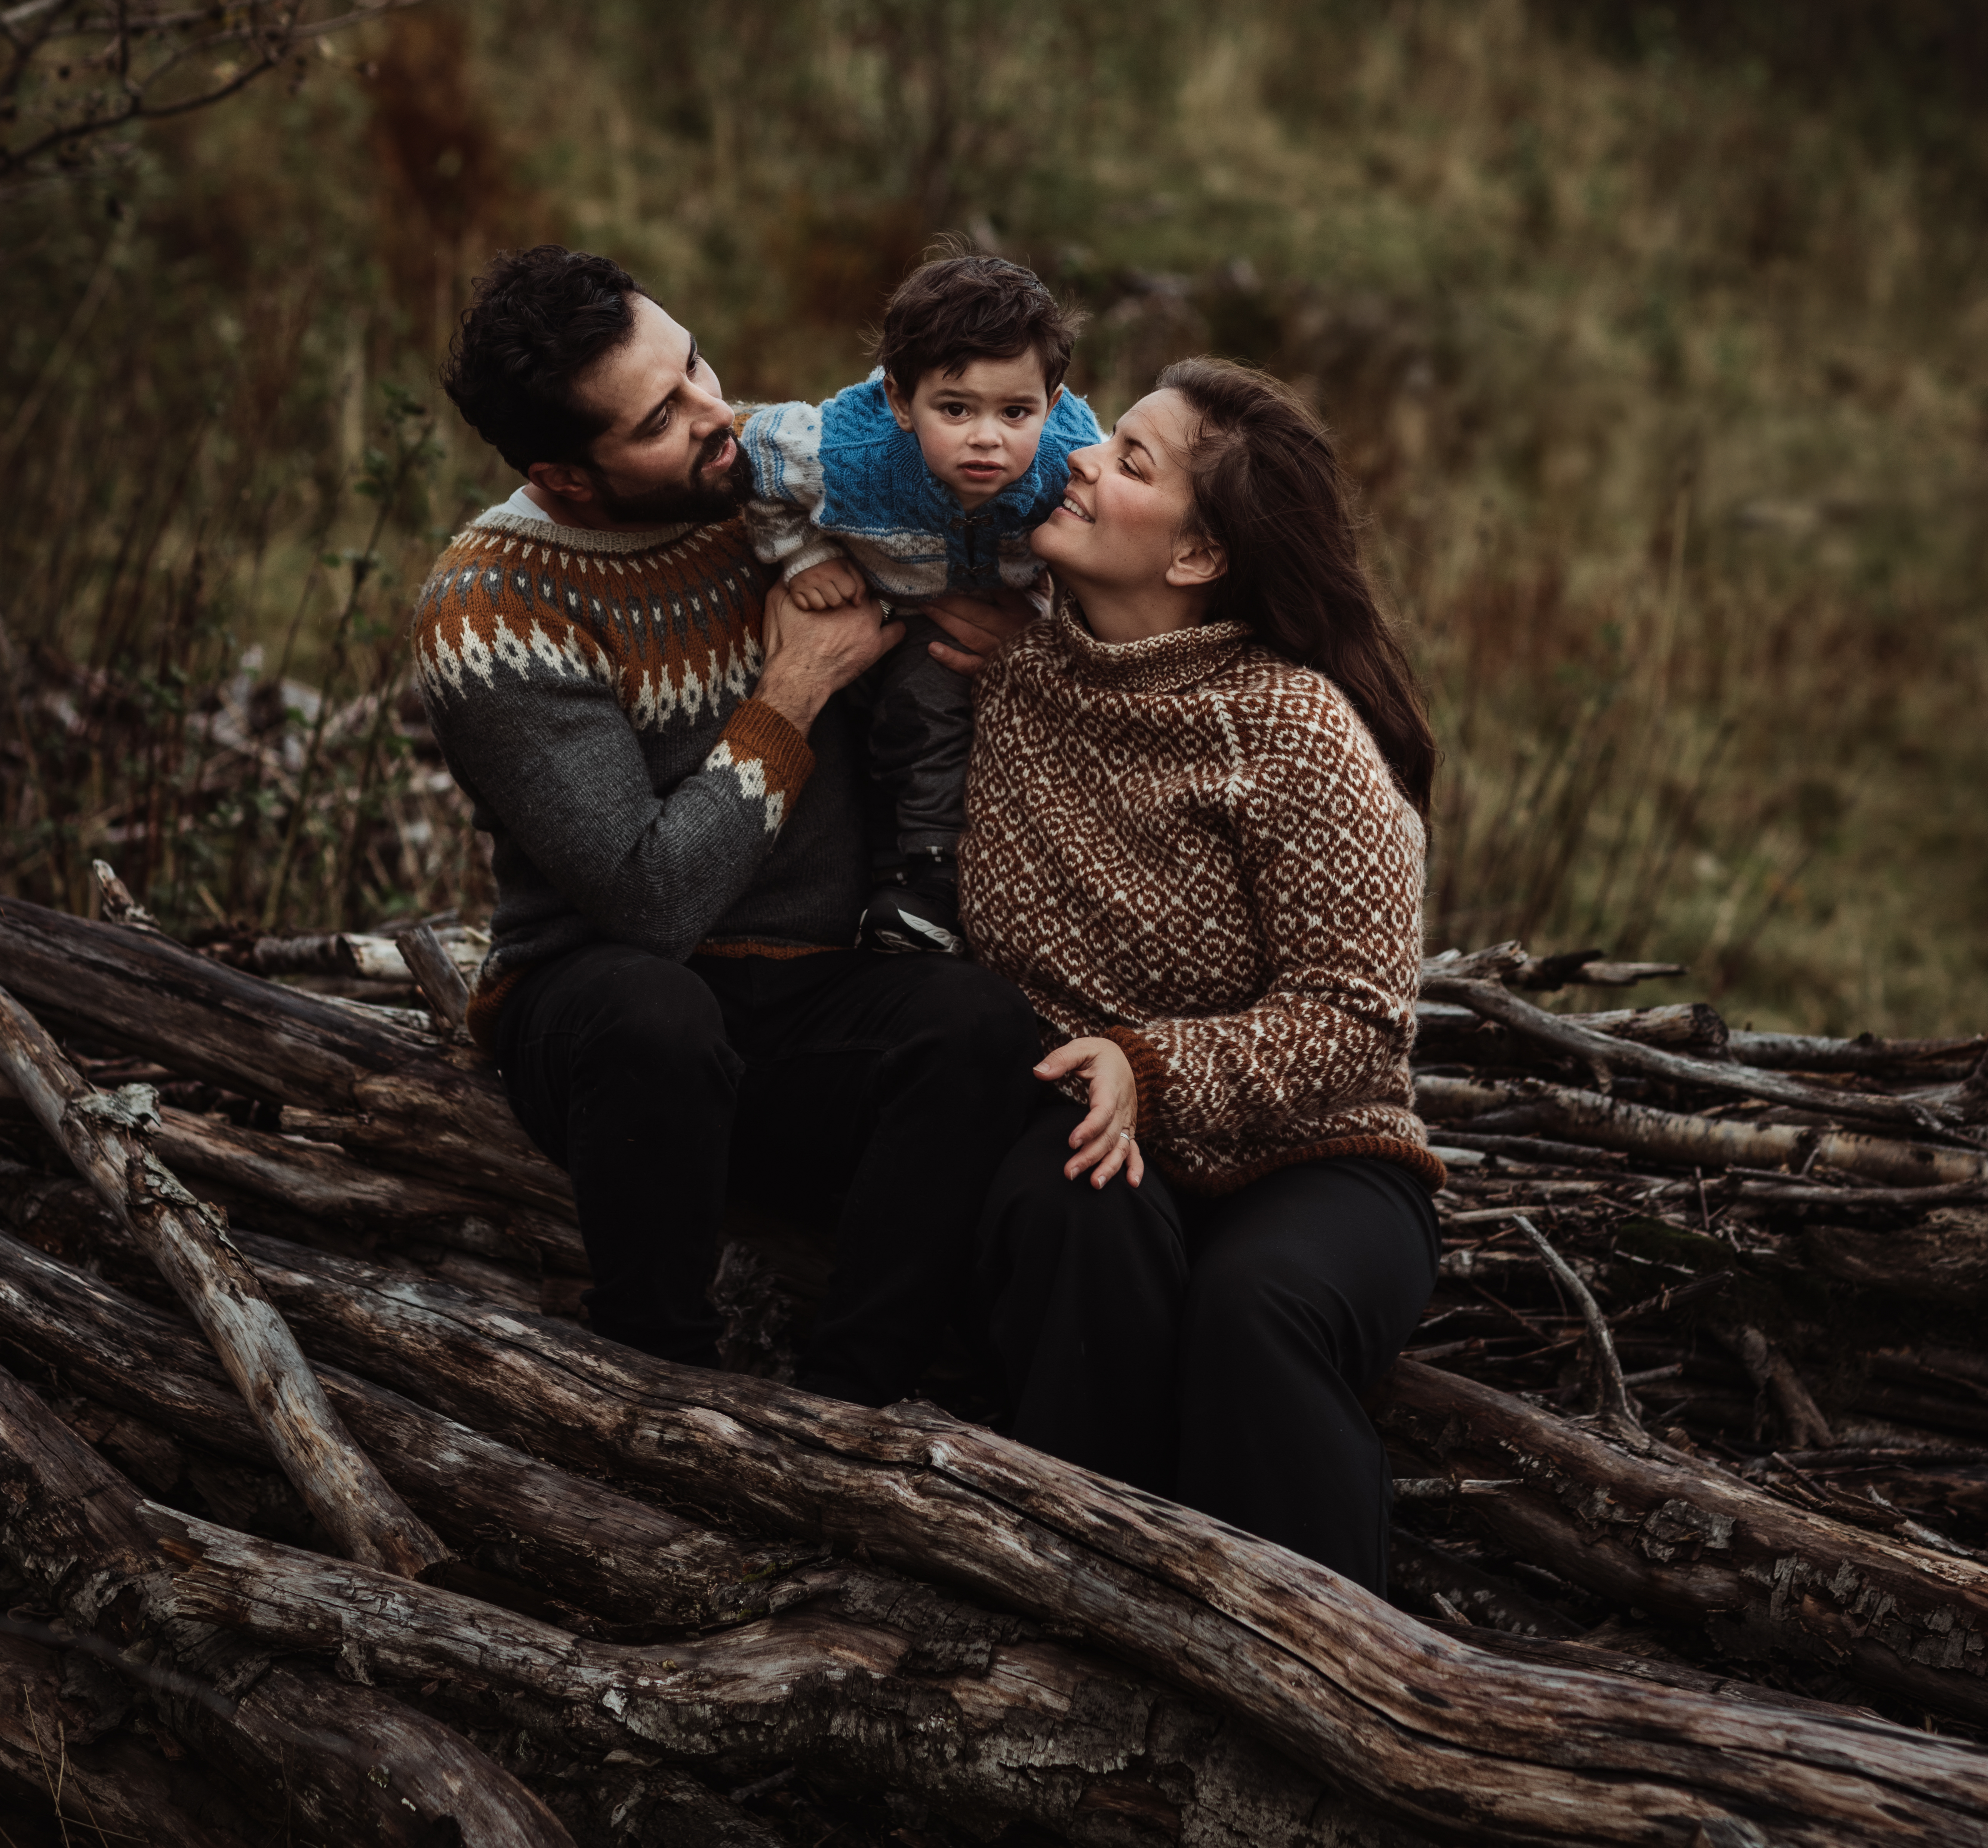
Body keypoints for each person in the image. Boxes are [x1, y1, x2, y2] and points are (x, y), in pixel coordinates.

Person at [412, 244, 1043, 1404]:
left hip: (806, 997)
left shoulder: (796, 480)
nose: (720, 413)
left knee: (973, 1025)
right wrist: (792, 691)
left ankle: (849, 1403)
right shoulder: (492, 610)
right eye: (663, 416)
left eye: (694, 362)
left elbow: (1029, 477)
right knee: (656, 1011)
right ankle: (664, 1384)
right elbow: (651, 900)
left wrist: (1021, 647)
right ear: (569, 480)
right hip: (604, 1011)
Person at [955, 357, 1443, 1592]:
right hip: (1096, 1139)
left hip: (1321, 1157)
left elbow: (1357, 1020)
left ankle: (1338, 1670)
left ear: (1196, 556)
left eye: (1128, 460)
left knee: (1255, 1304)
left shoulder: (1295, 728)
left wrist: (1150, 1061)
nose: (1073, 456)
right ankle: (1084, 1603)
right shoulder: (1005, 676)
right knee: (1072, 1215)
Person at [740, 251, 1100, 957]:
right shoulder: (845, 451)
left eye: (1016, 411)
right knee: (876, 725)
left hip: (988, 617)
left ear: (1051, 405)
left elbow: (1119, 549)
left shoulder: (1074, 456)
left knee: (938, 698)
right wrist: (801, 555)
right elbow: (751, 450)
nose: (987, 437)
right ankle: (865, 879)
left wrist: (1058, 622)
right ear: (902, 401)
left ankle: (932, 882)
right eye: (956, 409)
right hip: (879, 602)